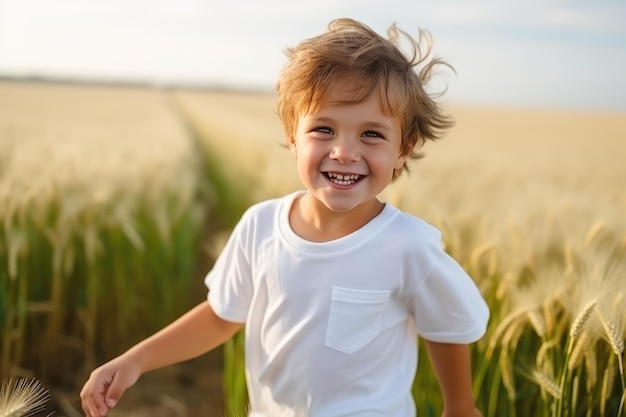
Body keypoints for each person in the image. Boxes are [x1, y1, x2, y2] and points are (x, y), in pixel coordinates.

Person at [80, 18, 489, 417]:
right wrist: (134, 361)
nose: (344, 152)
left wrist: (460, 406)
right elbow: (222, 316)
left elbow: (449, 327)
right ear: (293, 136)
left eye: (371, 134)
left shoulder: (408, 245)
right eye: (324, 130)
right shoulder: (260, 226)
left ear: (405, 147)